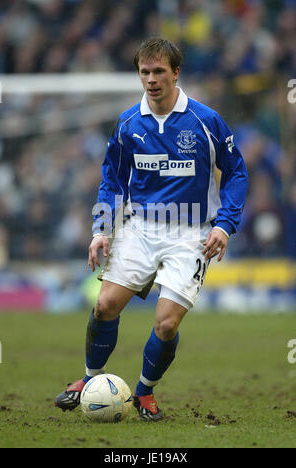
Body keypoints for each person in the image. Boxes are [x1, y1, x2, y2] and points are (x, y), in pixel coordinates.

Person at [55, 38, 248, 421]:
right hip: (139, 227)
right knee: (105, 304)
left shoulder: (206, 121)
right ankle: (91, 380)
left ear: (176, 73)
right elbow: (111, 180)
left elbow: (236, 173)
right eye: (145, 72)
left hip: (191, 233)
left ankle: (143, 392)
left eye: (159, 71)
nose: (151, 79)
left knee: (166, 323)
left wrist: (224, 226)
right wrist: (102, 230)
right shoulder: (128, 123)